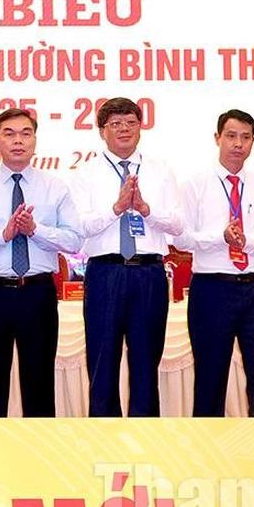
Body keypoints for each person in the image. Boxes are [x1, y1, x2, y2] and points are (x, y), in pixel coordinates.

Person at [0, 108, 81, 417]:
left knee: (39, 386)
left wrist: (35, 230)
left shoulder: (55, 187)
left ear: (35, 140)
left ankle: (39, 446)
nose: (18, 141)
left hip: (37, 294)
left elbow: (74, 241)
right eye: (9, 134)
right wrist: (3, 235)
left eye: (26, 133)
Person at [70, 97, 183, 417]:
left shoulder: (161, 171)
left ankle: (144, 433)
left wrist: (146, 210)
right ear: (102, 131)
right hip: (105, 272)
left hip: (149, 273)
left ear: (140, 128)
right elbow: (79, 227)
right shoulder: (86, 174)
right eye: (116, 124)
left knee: (146, 362)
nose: (124, 129)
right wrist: (116, 209)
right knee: (102, 361)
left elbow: (178, 225)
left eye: (131, 123)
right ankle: (103, 433)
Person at [175, 110, 254, 417]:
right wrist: (219, 237)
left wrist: (246, 242)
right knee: (210, 378)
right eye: (232, 136)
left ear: (253, 142)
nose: (238, 144)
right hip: (212, 289)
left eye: (245, 137)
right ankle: (206, 443)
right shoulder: (194, 185)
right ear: (217, 138)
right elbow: (181, 239)